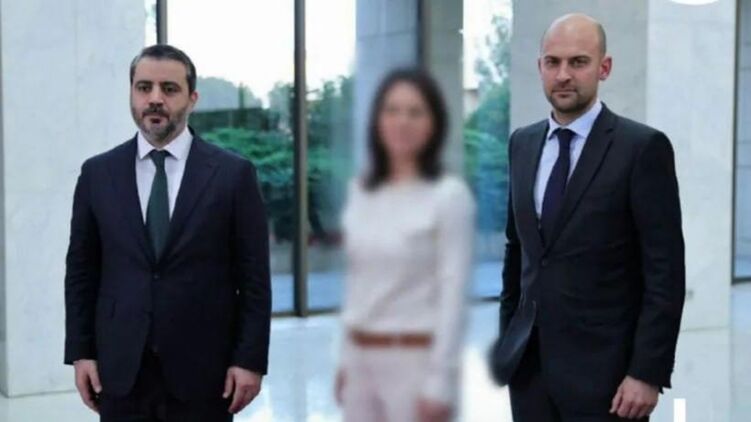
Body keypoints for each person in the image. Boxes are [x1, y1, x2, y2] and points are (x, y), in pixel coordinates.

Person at [489, 14, 686, 422]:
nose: (563, 74)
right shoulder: (522, 144)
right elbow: (518, 249)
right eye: (553, 62)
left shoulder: (642, 148)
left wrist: (647, 372)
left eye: (578, 62)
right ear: (540, 67)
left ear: (604, 67)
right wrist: (509, 339)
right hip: (529, 371)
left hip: (609, 380)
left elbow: (665, 272)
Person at [63, 44, 271, 421]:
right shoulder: (97, 174)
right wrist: (81, 352)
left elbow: (254, 278)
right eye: (144, 88)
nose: (155, 98)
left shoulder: (233, 175)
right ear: (132, 94)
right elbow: (81, 271)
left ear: (192, 99)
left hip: (205, 372)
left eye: (169, 89)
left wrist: (249, 359)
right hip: (120, 370)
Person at [335, 69, 475, 422]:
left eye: (415, 112)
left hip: (414, 362)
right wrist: (344, 359)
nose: (402, 122)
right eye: (392, 110)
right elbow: (357, 282)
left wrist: (440, 381)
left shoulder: (448, 196)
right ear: (377, 120)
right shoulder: (362, 191)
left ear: (433, 124)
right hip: (360, 360)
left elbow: (453, 291)